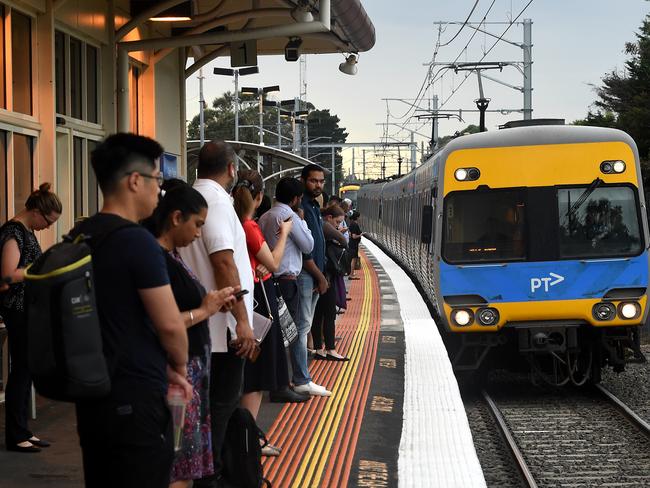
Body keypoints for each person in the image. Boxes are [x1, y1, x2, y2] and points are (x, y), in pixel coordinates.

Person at [70, 133, 191, 488]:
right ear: (135, 181)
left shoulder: (82, 234)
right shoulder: (137, 241)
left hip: (93, 393)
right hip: (135, 395)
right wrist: (179, 367)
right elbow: (169, 325)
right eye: (157, 180)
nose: (160, 190)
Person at [143, 180, 238, 488]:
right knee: (178, 466)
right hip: (177, 377)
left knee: (184, 463)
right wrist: (206, 310)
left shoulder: (171, 256)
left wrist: (213, 302)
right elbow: (162, 322)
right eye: (197, 224)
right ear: (175, 218)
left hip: (189, 375)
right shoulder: (158, 261)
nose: (199, 233)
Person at [179, 141, 257, 488]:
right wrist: (242, 321)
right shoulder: (217, 203)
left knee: (210, 410)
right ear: (231, 170)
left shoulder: (197, 199)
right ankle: (210, 477)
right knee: (220, 407)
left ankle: (208, 474)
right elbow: (224, 262)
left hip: (208, 327)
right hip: (221, 332)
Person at [232, 170, 306, 457]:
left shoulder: (233, 223)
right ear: (260, 197)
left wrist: (259, 264)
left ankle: (245, 439)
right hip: (260, 303)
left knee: (248, 375)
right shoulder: (249, 226)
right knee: (256, 377)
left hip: (249, 300)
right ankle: (249, 441)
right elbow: (274, 262)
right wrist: (285, 234)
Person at [0, 183, 62, 453]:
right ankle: (16, 433)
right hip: (17, 309)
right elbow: (7, 275)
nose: (48, 227)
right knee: (22, 371)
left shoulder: (26, 231)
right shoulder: (13, 232)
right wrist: (40, 269)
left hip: (28, 309)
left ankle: (22, 429)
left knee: (27, 370)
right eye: (48, 221)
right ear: (36, 211)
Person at [257, 177, 316, 404]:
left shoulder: (265, 216)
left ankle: (274, 380)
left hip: (269, 280)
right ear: (295, 199)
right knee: (288, 333)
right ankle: (283, 384)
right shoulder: (290, 217)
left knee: (274, 333)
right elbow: (308, 245)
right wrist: (303, 223)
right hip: (288, 281)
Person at [294, 164, 331, 397]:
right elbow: (305, 252)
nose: (318, 185)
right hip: (307, 274)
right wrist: (320, 275)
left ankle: (302, 375)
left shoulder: (315, 207)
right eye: (313, 181)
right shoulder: (302, 208)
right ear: (303, 180)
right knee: (302, 326)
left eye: (321, 181)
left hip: (316, 274)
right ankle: (301, 378)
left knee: (305, 324)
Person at [312, 205, 349, 361]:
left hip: (318, 275)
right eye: (338, 221)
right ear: (329, 217)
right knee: (329, 314)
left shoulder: (317, 224)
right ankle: (331, 349)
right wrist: (338, 235)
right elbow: (343, 241)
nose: (338, 225)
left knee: (318, 314)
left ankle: (319, 348)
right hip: (326, 277)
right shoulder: (324, 225)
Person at [348, 210, 362, 280]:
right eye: (359, 217)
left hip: (353, 244)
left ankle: (351, 273)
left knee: (353, 258)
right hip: (353, 244)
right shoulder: (354, 224)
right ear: (357, 217)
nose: (360, 218)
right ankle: (351, 274)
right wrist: (360, 235)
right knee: (353, 259)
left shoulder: (352, 223)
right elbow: (353, 236)